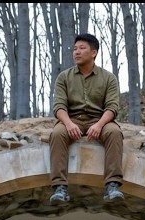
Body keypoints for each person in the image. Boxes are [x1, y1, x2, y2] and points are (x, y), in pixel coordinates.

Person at [49, 32, 125, 205]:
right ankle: (59, 188)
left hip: (100, 119)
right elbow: (59, 106)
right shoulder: (64, 77)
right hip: (71, 118)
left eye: (82, 48)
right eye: (75, 49)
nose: (76, 52)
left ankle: (112, 186)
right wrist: (68, 124)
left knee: (114, 132)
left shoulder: (108, 78)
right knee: (57, 134)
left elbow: (112, 107)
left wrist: (99, 125)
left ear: (94, 52)